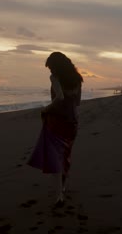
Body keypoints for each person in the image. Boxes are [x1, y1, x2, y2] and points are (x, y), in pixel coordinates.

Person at [27, 52, 83, 206]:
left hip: (57, 121)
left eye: (51, 67)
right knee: (65, 155)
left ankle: (59, 196)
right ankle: (63, 188)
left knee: (55, 157)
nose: (50, 71)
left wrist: (46, 108)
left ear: (56, 66)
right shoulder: (78, 79)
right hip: (72, 122)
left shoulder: (55, 77)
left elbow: (59, 97)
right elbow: (77, 103)